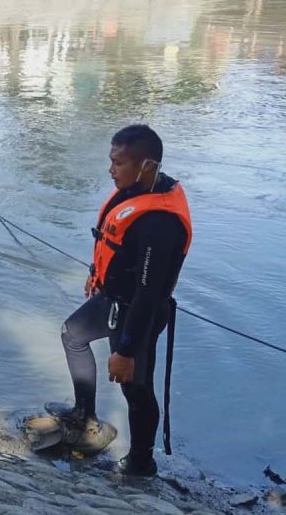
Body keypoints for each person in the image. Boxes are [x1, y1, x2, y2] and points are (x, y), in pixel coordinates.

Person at [58, 125, 192, 477]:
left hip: (139, 314)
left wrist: (127, 350)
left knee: (136, 388)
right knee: (73, 334)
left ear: (147, 165)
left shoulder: (160, 224)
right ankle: (85, 417)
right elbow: (115, 244)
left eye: (118, 163)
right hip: (112, 298)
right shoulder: (134, 191)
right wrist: (96, 273)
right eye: (111, 161)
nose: (111, 169)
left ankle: (140, 463)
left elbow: (149, 293)